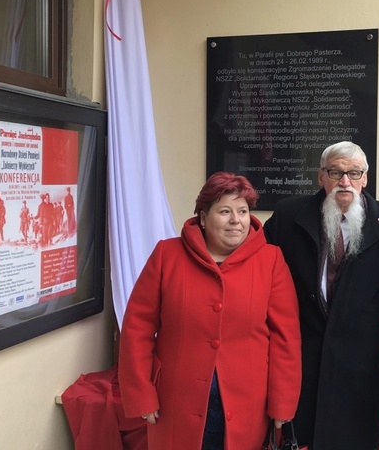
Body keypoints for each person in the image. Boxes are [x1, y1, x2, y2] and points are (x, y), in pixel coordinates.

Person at [119, 172, 302, 450]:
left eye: (242, 211)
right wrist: (142, 394)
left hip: (248, 405)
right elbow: (137, 329)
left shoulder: (271, 260)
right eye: (225, 211)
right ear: (203, 217)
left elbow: (285, 339)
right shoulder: (166, 255)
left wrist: (283, 403)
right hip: (175, 402)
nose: (235, 220)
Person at [264, 141, 379, 450]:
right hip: (303, 357)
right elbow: (259, 270)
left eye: (354, 173)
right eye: (335, 172)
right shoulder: (289, 215)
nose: (345, 182)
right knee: (300, 437)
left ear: (365, 178)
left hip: (358, 365)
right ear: (320, 177)